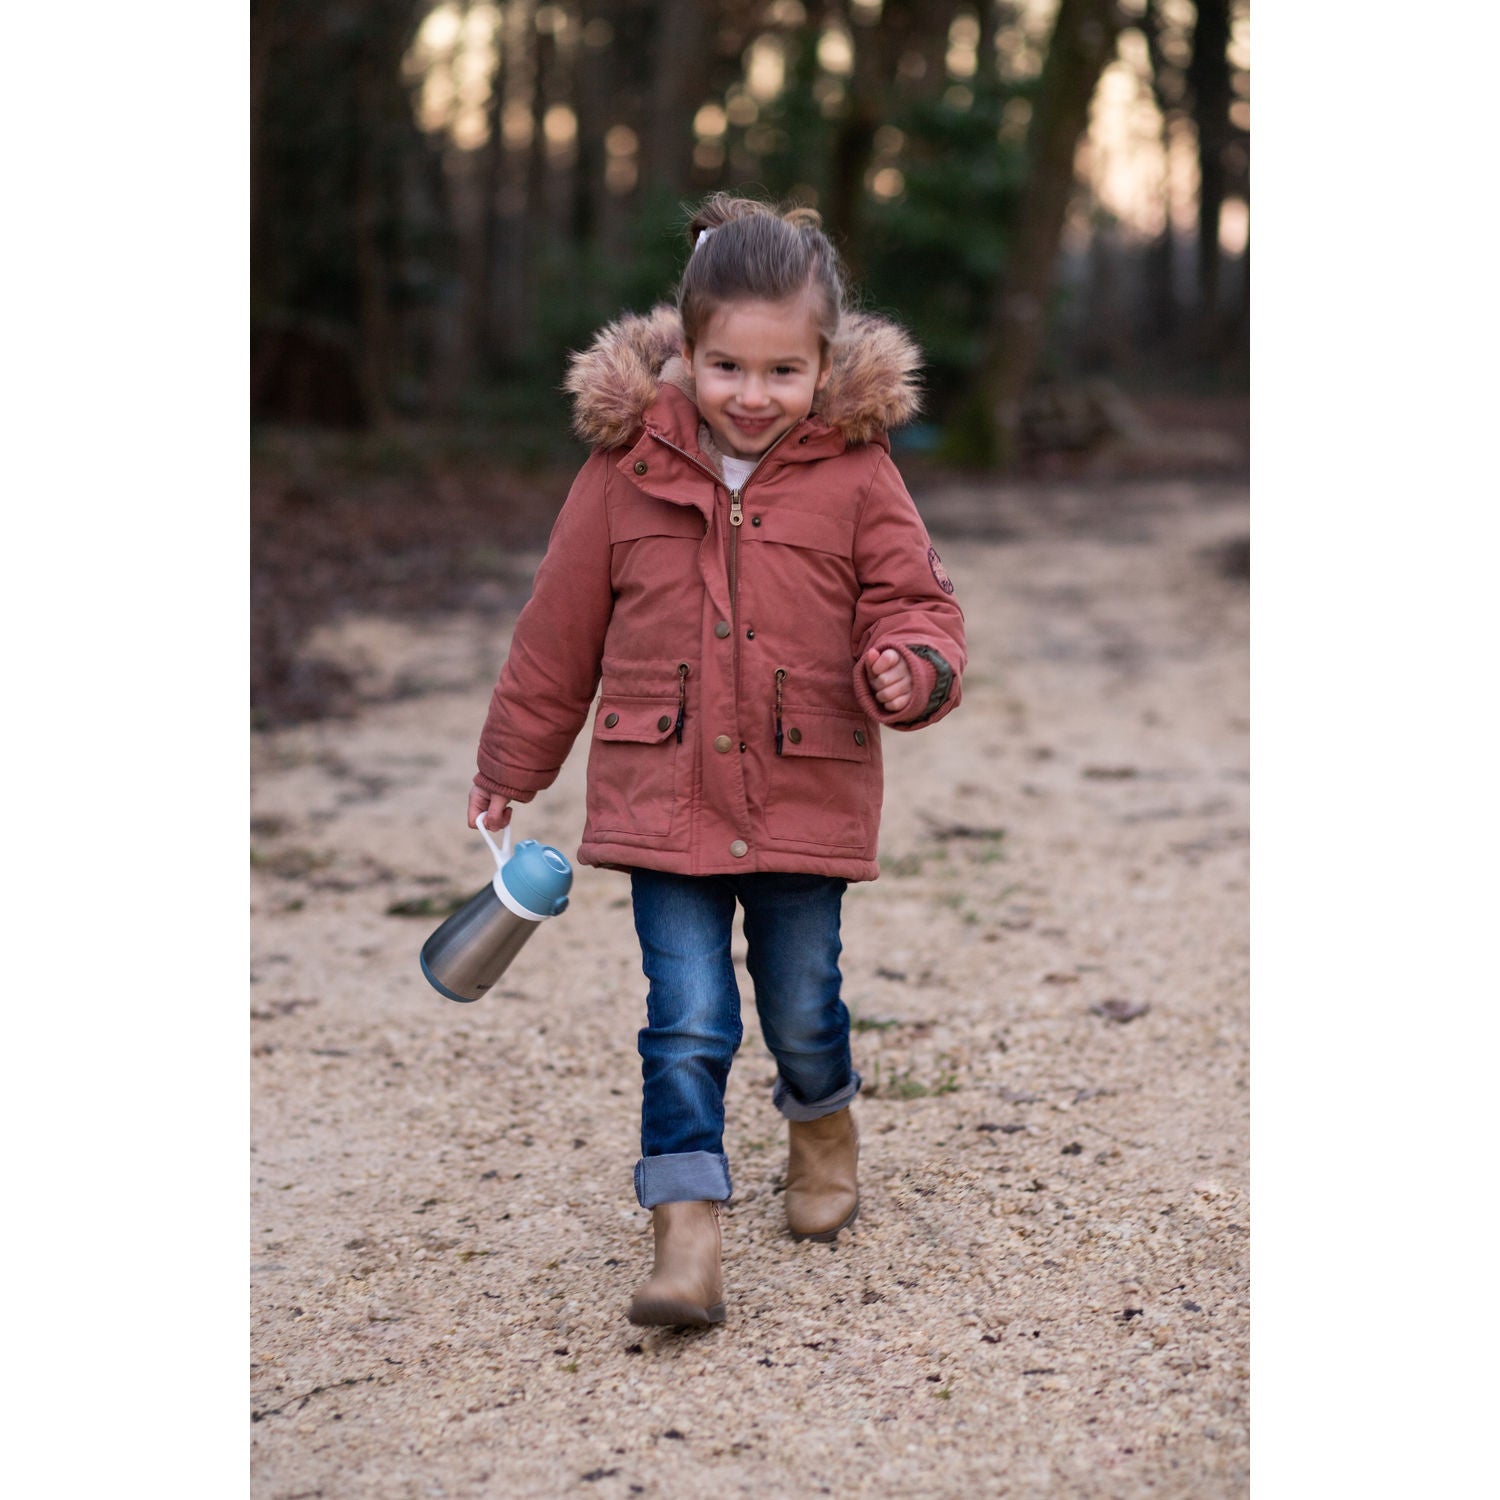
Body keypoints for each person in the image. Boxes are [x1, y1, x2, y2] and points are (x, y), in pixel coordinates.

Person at [465, 193, 966, 1328]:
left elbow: (919, 602)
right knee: (685, 1015)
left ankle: (821, 1117)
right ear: (682, 354)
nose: (753, 395)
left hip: (805, 787)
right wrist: (513, 759)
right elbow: (557, 633)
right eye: (726, 366)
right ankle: (684, 1227)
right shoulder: (624, 471)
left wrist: (912, 666)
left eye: (783, 371)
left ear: (825, 362)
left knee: (801, 1001)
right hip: (666, 793)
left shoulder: (857, 471)